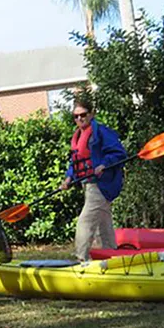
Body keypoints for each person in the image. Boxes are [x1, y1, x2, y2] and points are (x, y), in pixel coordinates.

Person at [60, 97, 127, 262]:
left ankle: (80, 258)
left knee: (86, 220)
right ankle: (112, 256)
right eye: (75, 116)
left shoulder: (102, 132)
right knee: (103, 223)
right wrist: (69, 178)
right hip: (87, 184)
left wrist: (105, 164)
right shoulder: (78, 136)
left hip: (101, 184)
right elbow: (75, 162)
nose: (79, 119)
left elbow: (119, 153)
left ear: (91, 114)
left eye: (83, 115)